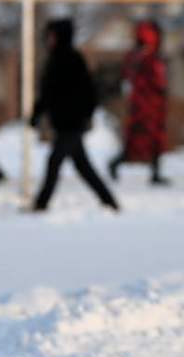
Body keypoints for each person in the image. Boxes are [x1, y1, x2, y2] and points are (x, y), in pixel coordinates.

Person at [31, 18, 119, 212]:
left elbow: (86, 91)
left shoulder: (69, 59)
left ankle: (41, 203)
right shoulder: (59, 59)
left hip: (71, 123)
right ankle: (109, 202)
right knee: (83, 167)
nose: (49, 40)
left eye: (52, 36)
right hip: (65, 123)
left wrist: (84, 114)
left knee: (54, 162)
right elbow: (49, 92)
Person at [108, 20, 170, 185]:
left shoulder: (148, 57)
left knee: (155, 141)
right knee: (138, 140)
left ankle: (155, 172)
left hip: (153, 106)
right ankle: (116, 163)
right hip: (144, 106)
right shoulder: (140, 58)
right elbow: (147, 80)